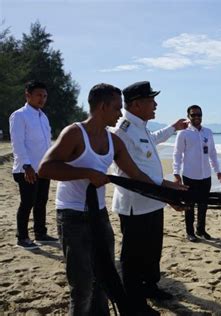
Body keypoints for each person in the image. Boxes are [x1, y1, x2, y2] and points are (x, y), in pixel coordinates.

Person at [38, 83, 183, 315]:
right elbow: (44, 169)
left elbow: (137, 175)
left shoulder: (113, 141)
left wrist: (170, 191)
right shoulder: (75, 133)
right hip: (73, 216)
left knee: (104, 277)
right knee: (82, 284)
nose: (120, 113)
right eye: (117, 108)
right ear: (103, 107)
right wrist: (86, 173)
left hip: (99, 214)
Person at [111, 81, 188, 310]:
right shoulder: (122, 130)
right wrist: (166, 191)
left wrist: (173, 128)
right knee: (133, 257)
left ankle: (151, 287)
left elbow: (152, 140)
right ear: (136, 104)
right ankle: (135, 301)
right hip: (135, 206)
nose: (155, 104)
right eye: (151, 100)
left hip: (153, 202)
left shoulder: (140, 126)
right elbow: (129, 173)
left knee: (152, 251)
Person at [9, 80, 57, 249]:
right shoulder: (19, 115)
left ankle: (40, 233)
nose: (42, 99)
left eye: (44, 96)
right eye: (38, 95)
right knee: (27, 202)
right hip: (26, 169)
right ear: (28, 95)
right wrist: (26, 166)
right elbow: (18, 143)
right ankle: (22, 237)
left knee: (41, 202)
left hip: (43, 168)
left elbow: (47, 143)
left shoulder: (43, 116)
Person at [173, 105, 221, 242]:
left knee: (203, 205)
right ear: (188, 117)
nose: (196, 117)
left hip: (205, 176)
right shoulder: (183, 133)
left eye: (199, 115)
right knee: (189, 205)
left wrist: (217, 170)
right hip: (190, 175)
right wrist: (176, 172)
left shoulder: (208, 132)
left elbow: (212, 153)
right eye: (193, 115)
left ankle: (200, 229)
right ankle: (190, 232)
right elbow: (177, 154)